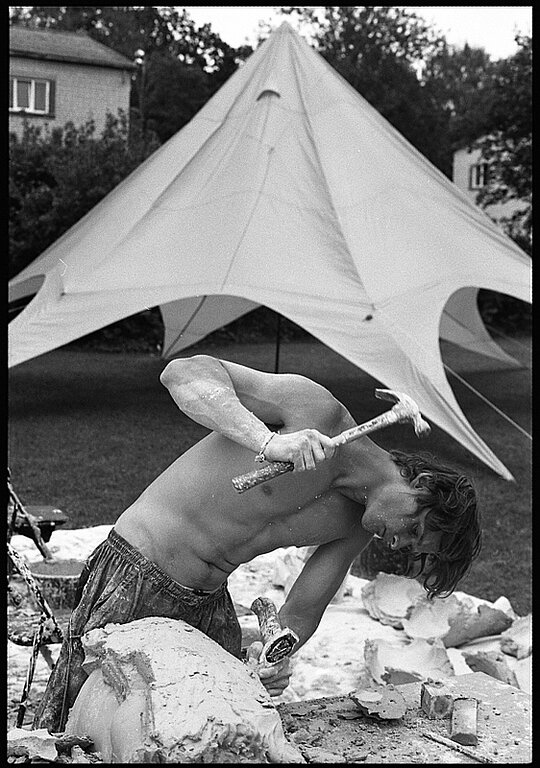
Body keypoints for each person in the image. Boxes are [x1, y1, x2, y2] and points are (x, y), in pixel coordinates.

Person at [33, 354, 481, 732]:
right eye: (415, 530)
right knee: (80, 730)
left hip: (209, 602)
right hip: (137, 571)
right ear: (421, 484)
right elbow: (184, 373)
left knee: (220, 733)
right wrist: (266, 442)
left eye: (414, 548)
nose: (400, 545)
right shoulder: (317, 412)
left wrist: (275, 653)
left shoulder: (355, 525)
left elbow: (301, 612)